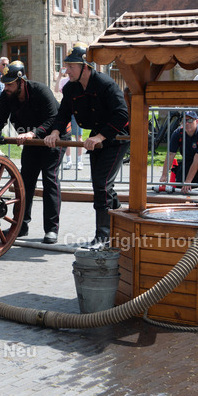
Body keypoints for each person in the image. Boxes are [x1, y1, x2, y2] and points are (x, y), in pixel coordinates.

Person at [43, 45, 129, 249]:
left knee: (102, 184)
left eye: (71, 66)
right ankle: (120, 219)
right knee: (102, 185)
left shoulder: (105, 84)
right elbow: (63, 113)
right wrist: (55, 131)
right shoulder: (71, 88)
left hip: (117, 137)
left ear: (86, 67)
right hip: (97, 137)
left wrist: (100, 136)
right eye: (66, 67)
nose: (66, 71)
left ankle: (103, 237)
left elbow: (122, 114)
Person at [0, 61, 61, 242]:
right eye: (4, 83)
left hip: (53, 139)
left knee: (50, 179)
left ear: (21, 82)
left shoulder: (41, 91)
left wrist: (34, 133)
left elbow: (53, 117)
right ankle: (21, 225)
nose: (6, 87)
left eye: (9, 84)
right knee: (24, 182)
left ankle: (51, 229)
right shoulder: (6, 96)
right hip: (31, 142)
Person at [159, 111, 198, 193]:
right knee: (180, 185)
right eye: (184, 121)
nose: (187, 123)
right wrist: (164, 176)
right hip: (189, 161)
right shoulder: (177, 133)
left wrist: (188, 181)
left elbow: (197, 158)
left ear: (196, 121)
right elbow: (171, 154)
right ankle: (193, 183)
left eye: (190, 120)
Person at [57, 64, 85, 171]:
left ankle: (80, 161)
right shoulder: (65, 81)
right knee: (67, 137)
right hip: (68, 111)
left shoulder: (78, 82)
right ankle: (69, 160)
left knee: (78, 136)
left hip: (77, 112)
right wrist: (59, 76)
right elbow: (56, 89)